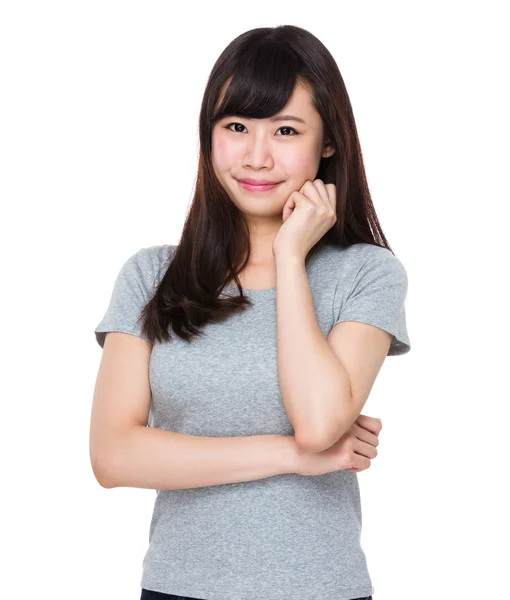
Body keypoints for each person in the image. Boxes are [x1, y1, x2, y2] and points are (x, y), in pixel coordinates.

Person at [91, 24, 411, 600]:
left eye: (286, 130)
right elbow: (113, 456)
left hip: (319, 589)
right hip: (176, 588)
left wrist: (290, 257)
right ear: (209, 136)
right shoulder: (151, 275)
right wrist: (291, 455)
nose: (256, 156)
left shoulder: (365, 273)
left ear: (328, 142)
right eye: (236, 127)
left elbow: (319, 423)